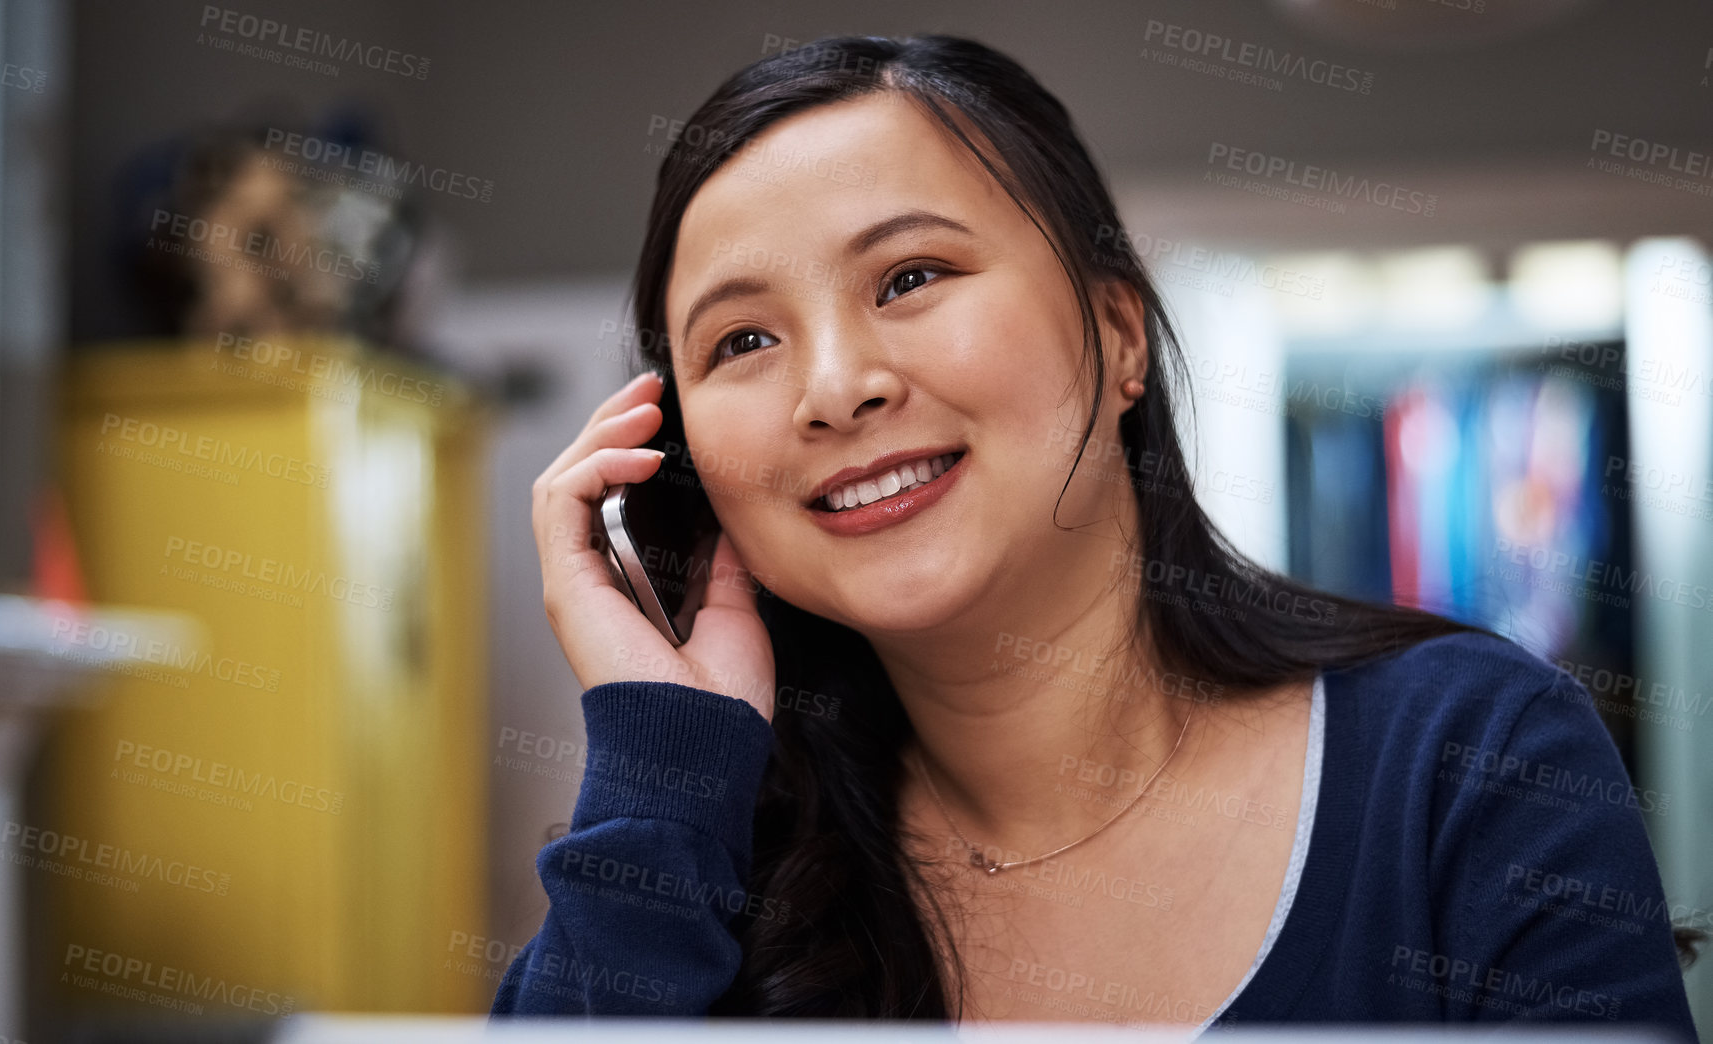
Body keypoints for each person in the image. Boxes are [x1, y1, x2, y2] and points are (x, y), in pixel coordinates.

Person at [499, 33, 1703, 1037]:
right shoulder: (704, 858)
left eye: (911, 277)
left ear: (1121, 334)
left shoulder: (1471, 757)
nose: (835, 386)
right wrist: (661, 770)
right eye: (742, 342)